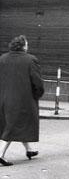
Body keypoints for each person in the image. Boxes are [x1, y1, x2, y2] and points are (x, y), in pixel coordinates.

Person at [0, 35, 44, 166]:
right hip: (23, 101)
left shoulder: (3, 59)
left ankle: (29, 150)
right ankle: (0, 154)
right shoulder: (30, 60)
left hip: (4, 99)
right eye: (27, 44)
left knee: (17, 124)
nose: (27, 46)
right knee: (13, 126)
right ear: (23, 46)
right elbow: (37, 83)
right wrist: (37, 95)